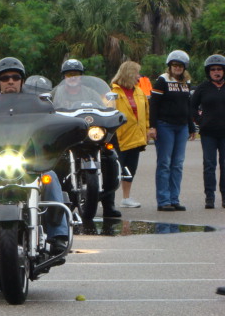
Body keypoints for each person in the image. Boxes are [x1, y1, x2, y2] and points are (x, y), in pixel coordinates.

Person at [0, 57, 69, 255]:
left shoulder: (38, 106)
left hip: (29, 163)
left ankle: (58, 235)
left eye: (15, 77)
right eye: (5, 78)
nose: (10, 81)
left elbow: (50, 126)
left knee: (51, 178)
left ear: (21, 81)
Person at [53, 58, 121, 218]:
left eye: (76, 74)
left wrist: (110, 112)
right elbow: (50, 107)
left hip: (91, 134)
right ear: (64, 77)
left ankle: (108, 205)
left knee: (109, 156)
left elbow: (103, 108)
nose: (73, 78)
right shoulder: (57, 93)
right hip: (70, 136)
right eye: (69, 75)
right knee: (56, 162)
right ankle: (59, 203)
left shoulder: (90, 93)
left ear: (81, 76)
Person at [149, 50, 196, 212]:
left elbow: (188, 106)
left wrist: (191, 126)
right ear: (169, 66)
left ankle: (174, 199)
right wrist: (152, 126)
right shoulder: (163, 80)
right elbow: (154, 104)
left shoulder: (186, 82)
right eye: (174, 65)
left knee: (178, 164)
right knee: (164, 163)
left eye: (180, 65)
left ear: (184, 67)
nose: (177, 68)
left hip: (182, 126)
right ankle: (163, 200)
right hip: (164, 125)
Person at [110, 61, 149, 209]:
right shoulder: (113, 92)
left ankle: (126, 198)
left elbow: (145, 113)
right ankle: (109, 198)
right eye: (136, 73)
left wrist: (146, 130)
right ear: (128, 74)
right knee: (114, 170)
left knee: (131, 168)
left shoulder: (139, 91)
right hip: (119, 137)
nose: (139, 77)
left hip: (136, 137)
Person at [190, 54, 225, 209]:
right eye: (213, 69)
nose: (216, 72)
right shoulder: (203, 88)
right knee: (209, 165)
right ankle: (209, 197)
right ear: (208, 71)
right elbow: (191, 106)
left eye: (219, 69)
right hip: (208, 133)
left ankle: (224, 197)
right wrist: (199, 121)